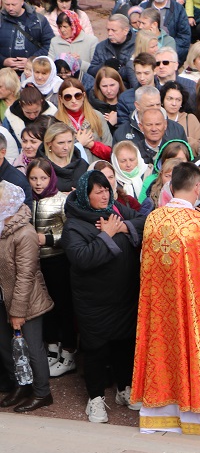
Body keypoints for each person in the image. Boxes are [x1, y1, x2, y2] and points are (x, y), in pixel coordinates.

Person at [132, 162, 200, 438]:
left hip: (160, 313)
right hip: (193, 313)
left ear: (171, 185)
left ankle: (160, 420)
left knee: (163, 357)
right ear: (197, 187)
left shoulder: (153, 220)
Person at [61, 170, 145, 423]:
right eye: (98, 191)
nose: (105, 195)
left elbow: (145, 219)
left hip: (124, 295)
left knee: (124, 344)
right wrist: (107, 234)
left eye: (107, 189)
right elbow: (83, 258)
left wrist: (123, 226)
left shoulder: (116, 210)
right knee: (96, 349)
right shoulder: (73, 225)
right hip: (94, 301)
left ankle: (124, 389)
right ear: (85, 195)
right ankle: (95, 398)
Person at [0, 181, 54, 413]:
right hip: (5, 298)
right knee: (6, 346)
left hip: (26, 301)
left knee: (32, 348)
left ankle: (42, 393)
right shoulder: (2, 226)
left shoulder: (25, 233)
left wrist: (17, 312)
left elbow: (25, 276)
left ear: (9, 203)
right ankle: (22, 385)